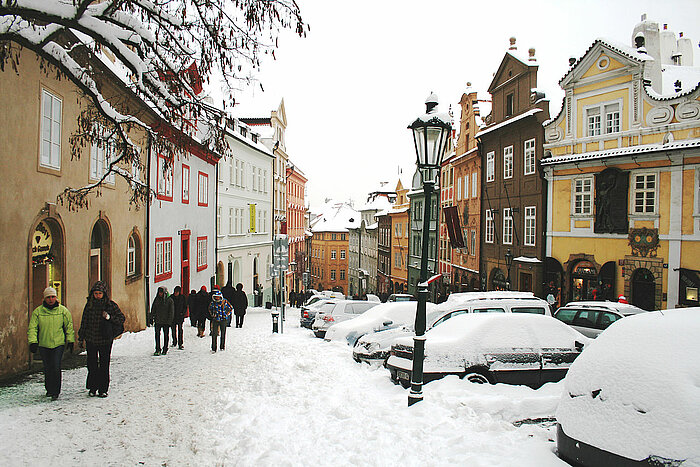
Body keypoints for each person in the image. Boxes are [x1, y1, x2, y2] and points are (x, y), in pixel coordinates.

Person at [78, 281, 125, 398]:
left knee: (104, 365)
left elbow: (121, 318)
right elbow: (84, 321)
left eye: (99, 293)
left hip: (105, 339)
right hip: (91, 339)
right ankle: (93, 387)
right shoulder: (89, 305)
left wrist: (109, 317)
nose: (97, 296)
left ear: (104, 294)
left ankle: (103, 389)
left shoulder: (110, 305)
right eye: (95, 293)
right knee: (92, 365)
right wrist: (81, 337)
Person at [27, 287, 75, 400]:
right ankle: (49, 388)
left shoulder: (63, 311)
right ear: (44, 298)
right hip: (44, 344)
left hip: (58, 344)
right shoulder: (38, 312)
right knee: (48, 367)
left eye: (53, 297)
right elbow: (32, 328)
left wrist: (71, 340)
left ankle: (55, 391)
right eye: (48, 297)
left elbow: (69, 326)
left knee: (56, 366)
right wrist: (33, 342)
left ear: (56, 298)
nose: (51, 299)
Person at [149, 286, 174, 355]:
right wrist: (151, 317)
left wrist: (169, 321)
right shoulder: (157, 299)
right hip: (158, 320)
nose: (160, 294)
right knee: (157, 335)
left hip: (166, 321)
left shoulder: (169, 300)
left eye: (161, 292)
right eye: (159, 292)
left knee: (166, 335)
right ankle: (157, 349)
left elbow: (171, 312)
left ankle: (165, 348)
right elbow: (153, 309)